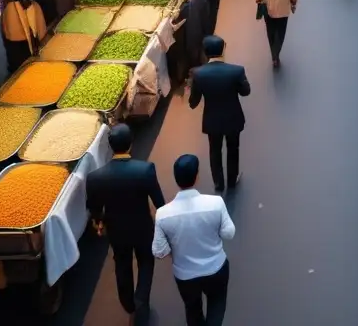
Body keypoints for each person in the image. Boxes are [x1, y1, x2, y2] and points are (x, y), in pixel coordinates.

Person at [86, 124, 165, 325]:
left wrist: (100, 222)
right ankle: (141, 298)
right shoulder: (145, 170)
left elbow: (94, 208)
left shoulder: (96, 178)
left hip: (117, 231)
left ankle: (128, 302)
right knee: (146, 261)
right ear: (131, 144)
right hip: (143, 228)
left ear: (111, 147)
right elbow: (159, 203)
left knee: (122, 263)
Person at [153, 155, 235, 326]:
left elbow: (159, 251)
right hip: (216, 268)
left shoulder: (162, 214)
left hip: (185, 275)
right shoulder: (215, 203)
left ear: (176, 179)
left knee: (192, 309)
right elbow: (229, 233)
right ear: (196, 176)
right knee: (217, 305)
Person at [189, 36, 251, 190]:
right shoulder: (237, 71)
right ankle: (232, 180)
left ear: (205, 52)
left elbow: (193, 102)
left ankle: (218, 183)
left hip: (212, 120)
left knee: (214, 150)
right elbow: (246, 92)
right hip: (233, 118)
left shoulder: (198, 74)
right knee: (233, 148)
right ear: (223, 49)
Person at [0, 0, 46, 73]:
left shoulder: (8, 8)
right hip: (26, 45)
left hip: (16, 47)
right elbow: (42, 32)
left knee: (19, 69)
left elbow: (6, 33)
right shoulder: (35, 5)